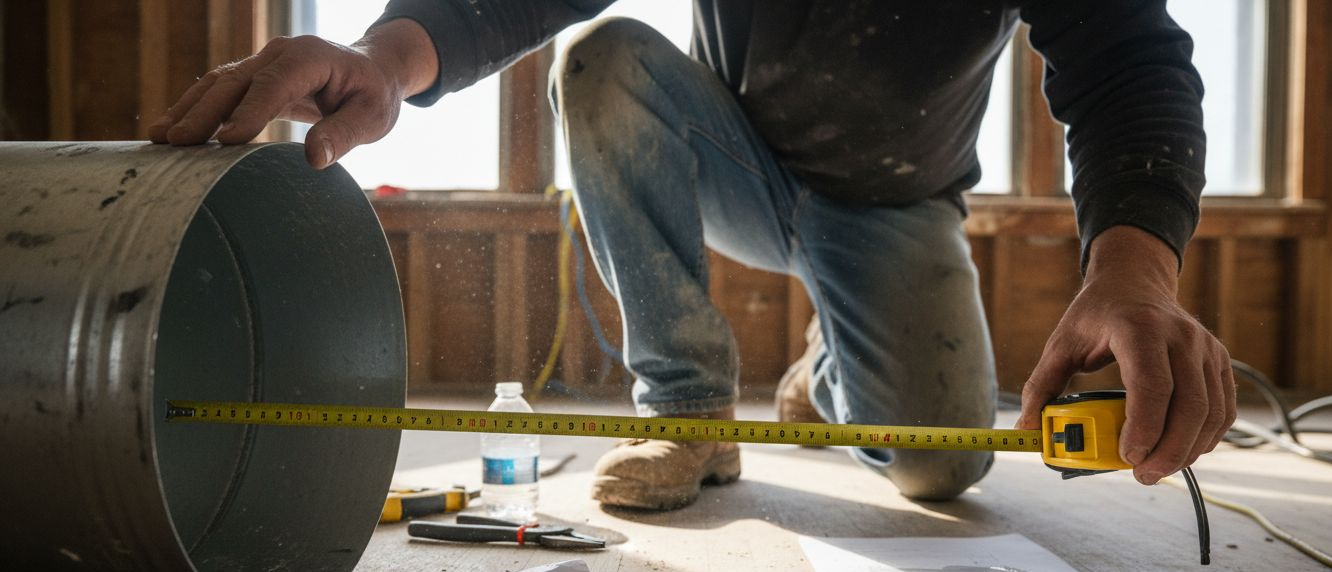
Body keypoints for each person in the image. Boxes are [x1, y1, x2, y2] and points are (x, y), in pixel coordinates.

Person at [150, 1, 1236, 511]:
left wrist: (1134, 268)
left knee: (941, 468)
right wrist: (386, 55)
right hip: (739, 165)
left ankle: (826, 373)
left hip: (897, 209)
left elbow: (1127, 58)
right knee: (602, 62)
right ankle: (689, 415)